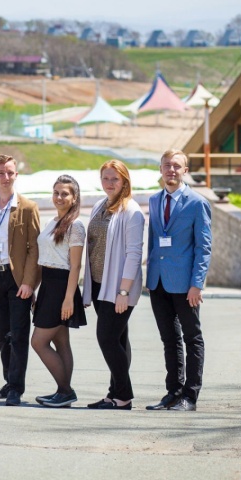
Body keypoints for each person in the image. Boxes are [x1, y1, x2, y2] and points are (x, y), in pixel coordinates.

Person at [145, 149, 212, 412]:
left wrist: (197, 284)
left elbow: (203, 247)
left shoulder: (197, 203)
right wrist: (149, 277)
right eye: (166, 165)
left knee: (192, 338)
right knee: (169, 340)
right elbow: (153, 241)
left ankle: (190, 396)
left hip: (186, 285)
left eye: (176, 166)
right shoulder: (154, 200)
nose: (171, 170)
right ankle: (172, 392)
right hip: (158, 282)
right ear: (160, 169)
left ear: (185, 171)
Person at [0, 154, 41, 407]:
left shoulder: (28, 207)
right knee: (3, 334)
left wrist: (29, 282)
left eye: (10, 172)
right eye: (1, 173)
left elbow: (35, 249)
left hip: (18, 280)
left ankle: (16, 388)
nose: (6, 177)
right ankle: (8, 380)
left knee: (19, 335)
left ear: (16, 175)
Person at [83, 159, 144, 410]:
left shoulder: (132, 211)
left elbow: (134, 254)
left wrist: (123, 291)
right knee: (118, 339)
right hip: (99, 284)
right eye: (106, 178)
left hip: (118, 288)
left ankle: (124, 396)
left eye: (115, 179)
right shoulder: (100, 205)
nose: (109, 183)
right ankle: (114, 393)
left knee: (107, 338)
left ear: (124, 181)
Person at [32, 175, 87, 408]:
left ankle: (66, 391)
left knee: (38, 342)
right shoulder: (52, 222)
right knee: (61, 341)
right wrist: (36, 288)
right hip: (48, 284)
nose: (59, 197)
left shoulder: (76, 226)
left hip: (62, 287)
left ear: (74, 198)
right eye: (56, 192)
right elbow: (44, 258)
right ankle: (62, 392)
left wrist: (68, 299)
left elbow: (75, 266)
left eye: (65, 193)